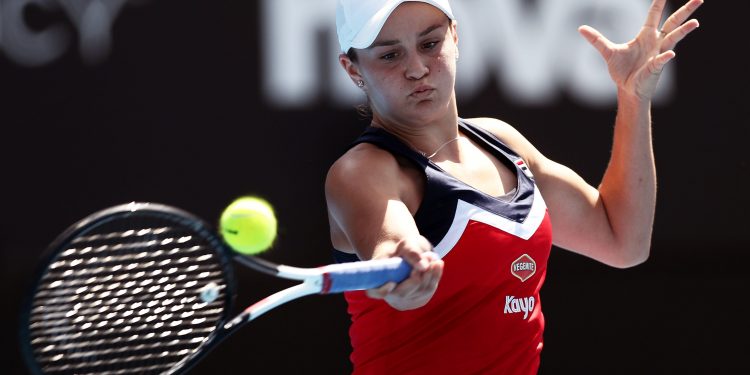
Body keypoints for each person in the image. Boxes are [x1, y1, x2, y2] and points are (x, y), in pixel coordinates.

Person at [325, 0, 703, 373]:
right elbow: (391, 248)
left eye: (429, 44)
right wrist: (403, 265)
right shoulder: (361, 171)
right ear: (352, 69)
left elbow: (624, 241)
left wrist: (634, 98)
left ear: (455, 36)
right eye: (390, 55)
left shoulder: (502, 141)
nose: (417, 68)